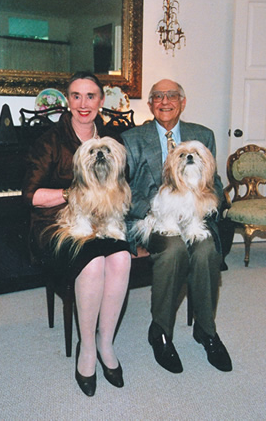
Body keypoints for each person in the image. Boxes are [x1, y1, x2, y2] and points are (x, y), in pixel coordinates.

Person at [22, 72, 131, 397]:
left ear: (101, 101)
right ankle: (86, 348)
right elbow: (30, 195)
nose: (84, 104)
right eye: (76, 96)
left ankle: (105, 343)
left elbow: (122, 184)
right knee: (93, 263)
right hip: (57, 222)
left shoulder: (114, 139)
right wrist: (73, 193)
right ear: (67, 100)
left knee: (122, 259)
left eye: (91, 96)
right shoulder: (50, 141)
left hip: (105, 219)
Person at [121, 79, 232, 373]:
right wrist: (156, 211)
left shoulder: (203, 135)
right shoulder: (131, 138)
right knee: (173, 252)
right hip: (155, 220)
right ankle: (160, 331)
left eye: (172, 96)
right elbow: (124, 190)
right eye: (158, 96)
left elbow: (215, 182)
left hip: (195, 216)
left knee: (207, 251)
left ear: (183, 102)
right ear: (150, 104)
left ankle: (206, 330)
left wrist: (207, 203)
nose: (165, 101)